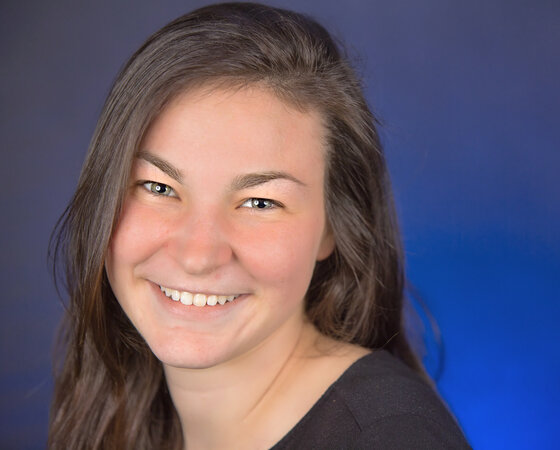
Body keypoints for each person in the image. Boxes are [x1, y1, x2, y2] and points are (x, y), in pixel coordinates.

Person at [48, 3, 470, 449]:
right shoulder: (122, 413)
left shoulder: (390, 437)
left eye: (260, 202)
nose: (197, 255)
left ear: (333, 227)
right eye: (159, 187)